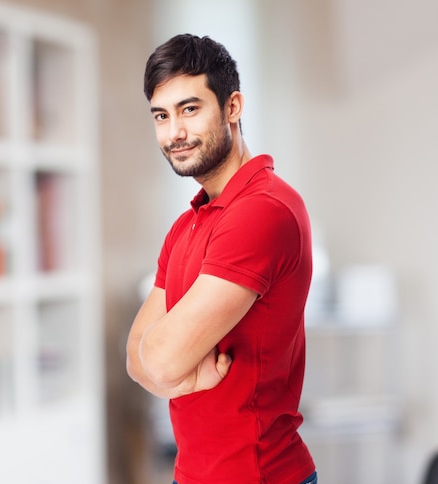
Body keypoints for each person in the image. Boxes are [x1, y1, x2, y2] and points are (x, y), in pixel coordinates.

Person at [125, 34, 317, 484]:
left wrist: (170, 367)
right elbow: (137, 358)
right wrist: (183, 377)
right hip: (191, 474)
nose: (174, 133)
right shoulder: (187, 224)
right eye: (161, 116)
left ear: (232, 107)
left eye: (190, 109)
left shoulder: (263, 210)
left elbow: (163, 358)